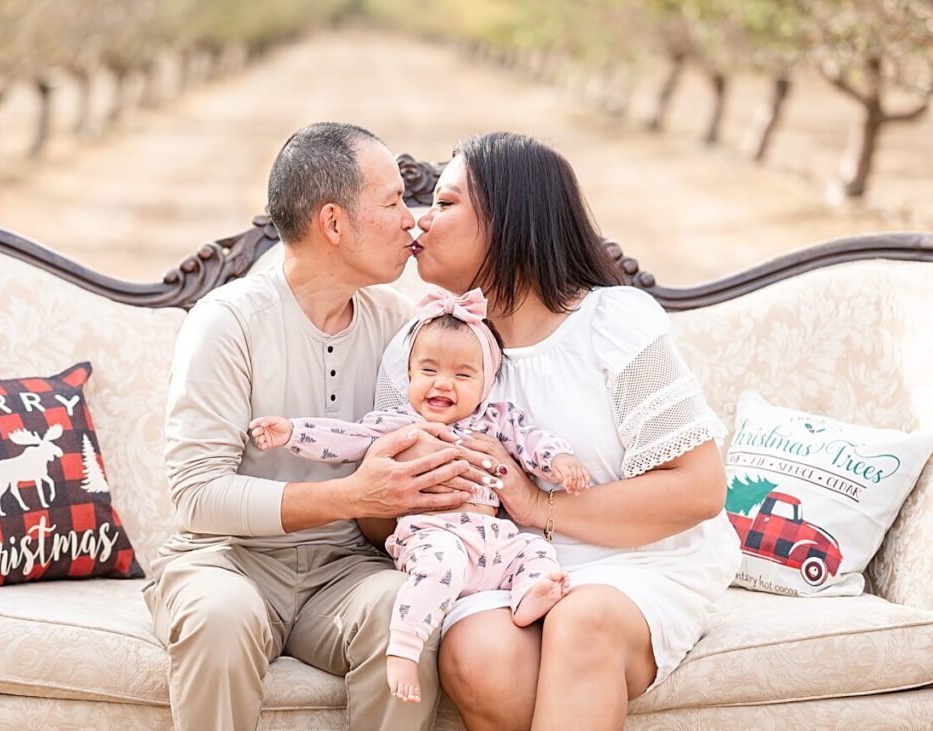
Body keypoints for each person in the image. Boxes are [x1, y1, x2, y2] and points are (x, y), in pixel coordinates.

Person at [374, 132, 743, 730]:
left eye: (445, 203)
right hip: (502, 566)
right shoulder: (418, 352)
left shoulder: (612, 324)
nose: (422, 220)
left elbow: (698, 491)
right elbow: (380, 516)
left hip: (640, 561)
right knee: (476, 656)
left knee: (583, 618)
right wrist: (400, 483)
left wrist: (532, 502)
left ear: (508, 217)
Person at [141, 122, 484, 731]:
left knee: (399, 609)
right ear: (333, 223)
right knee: (220, 617)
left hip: (346, 570)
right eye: (392, 202)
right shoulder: (228, 322)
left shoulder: (401, 327)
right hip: (227, 561)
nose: (412, 220)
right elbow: (196, 496)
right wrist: (351, 494)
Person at [248, 286, 590, 705]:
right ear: (409, 376)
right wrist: (293, 432)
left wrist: (560, 460)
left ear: (485, 385)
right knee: (438, 566)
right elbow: (345, 438)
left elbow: (531, 441)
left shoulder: (497, 422)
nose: (442, 383)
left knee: (535, 553)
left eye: (463, 375)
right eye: (428, 371)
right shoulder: (398, 424)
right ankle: (404, 650)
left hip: (491, 541)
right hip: (432, 533)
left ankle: (526, 597)